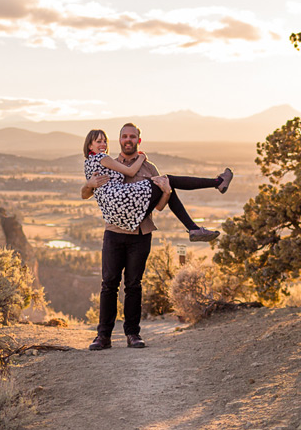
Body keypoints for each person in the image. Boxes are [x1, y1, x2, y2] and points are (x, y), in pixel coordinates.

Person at [80, 123, 232, 351]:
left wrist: (168, 192)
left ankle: (133, 334)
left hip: (140, 233)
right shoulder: (110, 162)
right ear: (120, 140)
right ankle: (103, 337)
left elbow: (160, 207)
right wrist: (88, 184)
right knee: (109, 284)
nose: (128, 140)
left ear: (138, 140)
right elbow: (86, 194)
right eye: (124, 136)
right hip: (114, 232)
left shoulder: (149, 167)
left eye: (132, 136)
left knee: (134, 285)